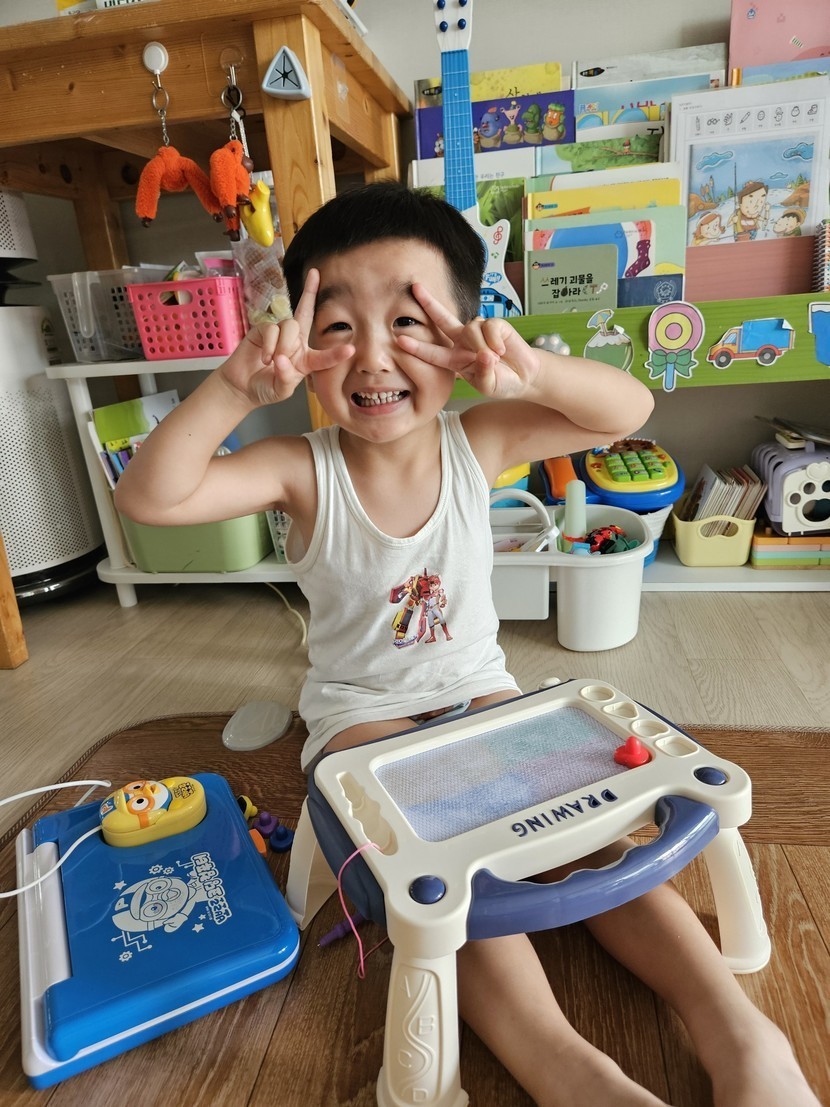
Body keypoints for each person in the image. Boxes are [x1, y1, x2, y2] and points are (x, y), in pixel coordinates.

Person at [115, 182, 820, 1107]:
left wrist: (532, 372)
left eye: (408, 321)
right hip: (365, 718)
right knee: (450, 871)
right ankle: (567, 1066)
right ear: (300, 341)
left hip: (482, 693)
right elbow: (151, 498)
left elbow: (625, 409)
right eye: (337, 325)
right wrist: (231, 388)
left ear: (461, 333)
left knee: (595, 830)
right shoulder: (299, 467)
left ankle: (738, 1028)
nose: (373, 355)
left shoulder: (479, 438)